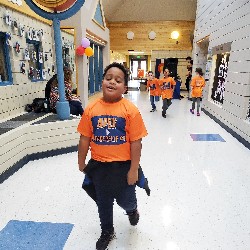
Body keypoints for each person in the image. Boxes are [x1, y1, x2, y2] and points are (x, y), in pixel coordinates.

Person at [77, 62, 148, 250]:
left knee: (126, 200)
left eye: (118, 80)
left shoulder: (130, 111)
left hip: (123, 167)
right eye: (108, 78)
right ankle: (107, 230)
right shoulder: (91, 109)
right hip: (99, 167)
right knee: (103, 202)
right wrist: (81, 162)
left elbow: (136, 143)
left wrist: (133, 170)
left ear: (124, 87)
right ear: (102, 82)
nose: (112, 82)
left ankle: (132, 210)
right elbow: (85, 138)